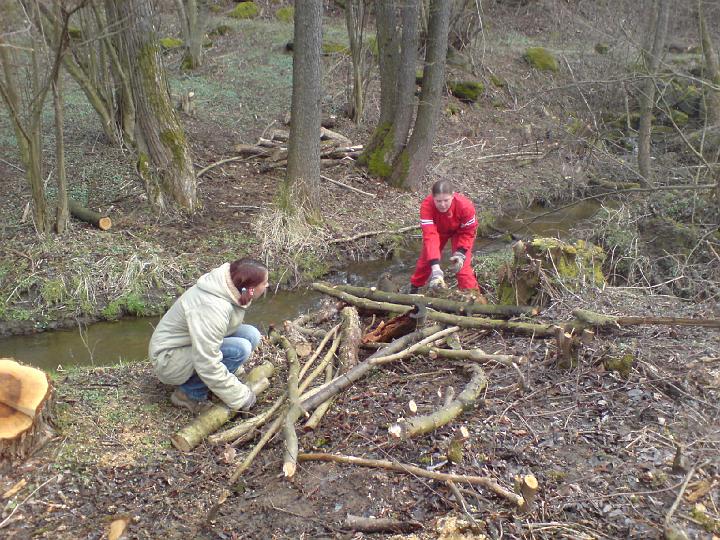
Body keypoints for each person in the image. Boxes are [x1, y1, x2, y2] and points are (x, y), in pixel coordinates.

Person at [148, 258, 269, 414]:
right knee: (240, 349)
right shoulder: (212, 307)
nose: (267, 285)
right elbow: (207, 361)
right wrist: (240, 396)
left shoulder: (232, 287)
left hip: (188, 345)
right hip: (168, 359)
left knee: (251, 334)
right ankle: (189, 394)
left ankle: (218, 381)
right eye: (264, 282)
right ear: (251, 288)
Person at [410, 179, 485, 300]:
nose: (443, 204)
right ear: (433, 198)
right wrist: (435, 267)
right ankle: (414, 288)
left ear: (453, 195)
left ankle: (475, 299)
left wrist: (460, 253)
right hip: (438, 231)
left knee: (463, 269)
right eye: (438, 201)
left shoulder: (465, 206)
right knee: (425, 262)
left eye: (446, 200)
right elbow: (430, 236)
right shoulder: (427, 206)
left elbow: (468, 232)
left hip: (460, 232)